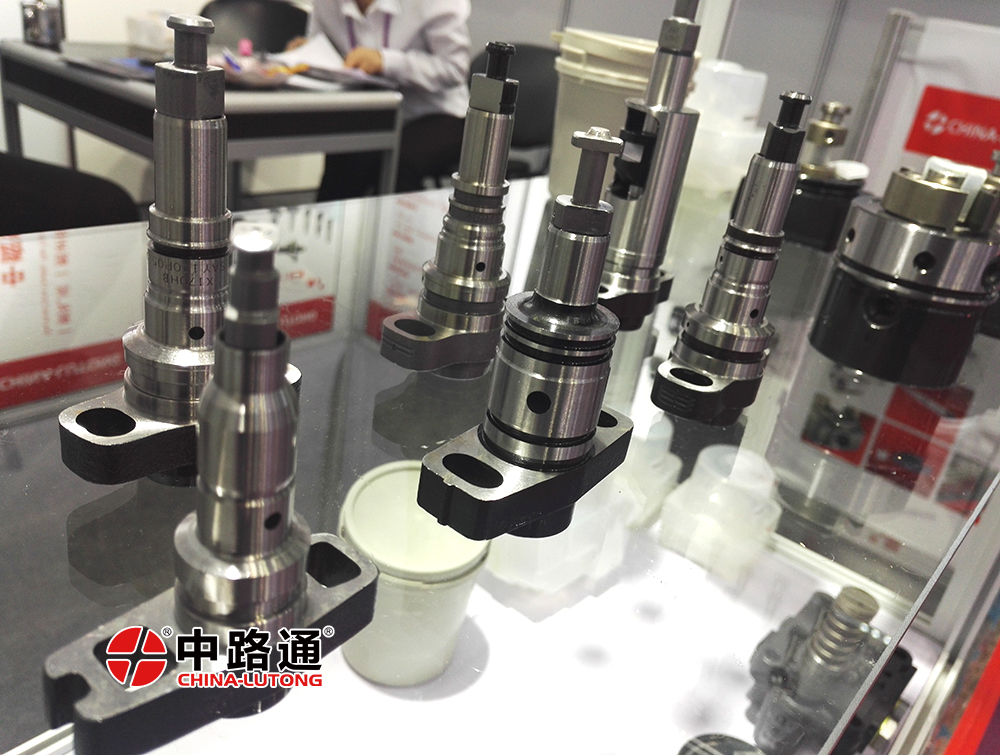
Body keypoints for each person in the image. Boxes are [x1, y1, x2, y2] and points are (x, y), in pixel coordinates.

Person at [305, 0, 472, 199]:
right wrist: (308, 55)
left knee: (398, 165)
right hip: (373, 110)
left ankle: (397, 219)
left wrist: (386, 62)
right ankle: (332, 218)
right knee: (346, 156)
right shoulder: (326, 4)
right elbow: (323, 47)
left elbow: (455, 68)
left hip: (438, 112)